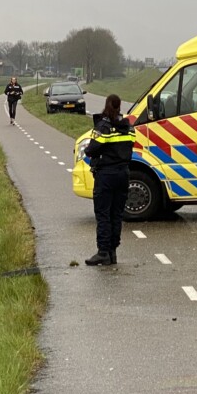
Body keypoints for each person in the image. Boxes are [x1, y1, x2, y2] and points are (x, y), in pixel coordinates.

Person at [84, 94, 135, 266]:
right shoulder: (129, 128)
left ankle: (103, 252)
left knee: (103, 214)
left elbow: (91, 150)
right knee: (117, 214)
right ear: (120, 106)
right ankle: (113, 252)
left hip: (106, 175)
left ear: (106, 105)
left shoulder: (104, 127)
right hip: (123, 174)